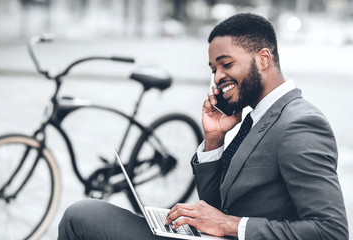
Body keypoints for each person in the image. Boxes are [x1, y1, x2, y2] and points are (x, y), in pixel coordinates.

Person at [57, 13, 348, 240]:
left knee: (81, 215)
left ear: (262, 59)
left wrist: (230, 225)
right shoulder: (256, 116)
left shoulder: (299, 124)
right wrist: (214, 140)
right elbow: (214, 207)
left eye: (226, 64)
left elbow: (330, 231)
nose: (218, 77)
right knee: (85, 214)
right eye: (214, 70)